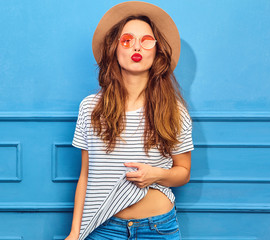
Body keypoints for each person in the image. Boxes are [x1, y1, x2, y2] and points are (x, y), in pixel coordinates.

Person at [65, 1, 194, 240]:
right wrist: (75, 232)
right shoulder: (90, 108)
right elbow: (86, 176)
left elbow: (183, 172)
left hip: (157, 229)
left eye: (146, 41)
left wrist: (156, 175)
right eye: (127, 40)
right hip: (103, 228)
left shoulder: (174, 110)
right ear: (115, 48)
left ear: (157, 52)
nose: (137, 46)